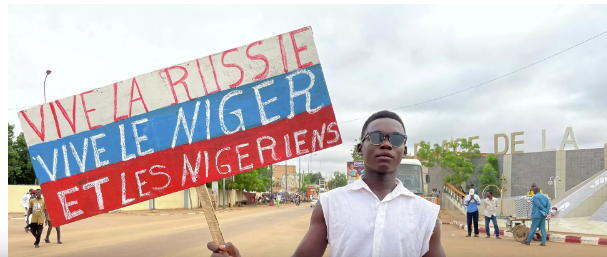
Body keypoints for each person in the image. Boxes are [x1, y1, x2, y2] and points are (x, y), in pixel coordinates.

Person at [207, 110, 446, 257]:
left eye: (395, 139)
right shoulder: (331, 203)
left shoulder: (426, 214)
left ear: (403, 150)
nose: (386, 144)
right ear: (360, 148)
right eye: (375, 137)